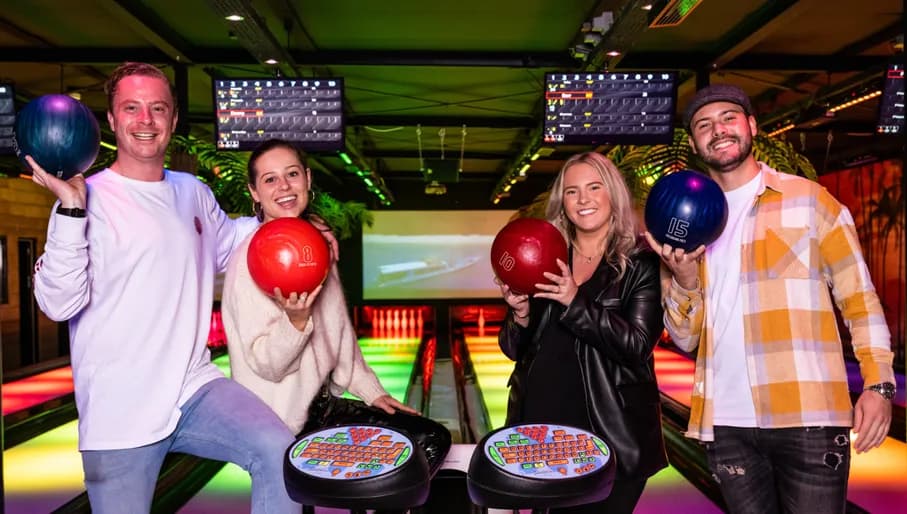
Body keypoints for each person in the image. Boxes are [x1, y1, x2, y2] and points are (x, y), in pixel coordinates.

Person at [30, 62, 324, 513]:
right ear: (112, 120)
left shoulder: (193, 192)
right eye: (132, 108)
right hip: (120, 413)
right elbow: (57, 303)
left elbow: (231, 241)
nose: (146, 120)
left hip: (193, 387)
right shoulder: (88, 199)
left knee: (278, 452)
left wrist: (296, 225)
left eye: (157, 108)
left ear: (173, 118)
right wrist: (70, 209)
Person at [646, 83, 894, 514]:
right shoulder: (682, 220)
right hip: (725, 422)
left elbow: (859, 298)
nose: (718, 130)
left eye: (728, 118)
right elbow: (684, 340)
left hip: (808, 415)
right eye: (704, 125)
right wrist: (684, 278)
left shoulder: (810, 202)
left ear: (752, 126)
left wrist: (879, 383)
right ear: (694, 143)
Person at [219, 139, 450, 476]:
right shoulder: (247, 261)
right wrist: (295, 323)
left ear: (308, 180)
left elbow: (339, 333)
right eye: (270, 179)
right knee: (406, 455)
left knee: (428, 440)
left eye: (292, 174)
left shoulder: (315, 245)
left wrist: (372, 392)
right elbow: (267, 366)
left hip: (325, 407)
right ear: (254, 192)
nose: (284, 186)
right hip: (281, 421)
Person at [497, 151, 668, 514]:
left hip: (610, 431)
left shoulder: (641, 262)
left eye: (594, 187)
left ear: (614, 194)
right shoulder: (547, 255)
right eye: (572, 191)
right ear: (563, 202)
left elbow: (637, 345)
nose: (584, 199)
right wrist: (520, 313)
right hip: (541, 426)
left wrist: (574, 299)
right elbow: (515, 350)